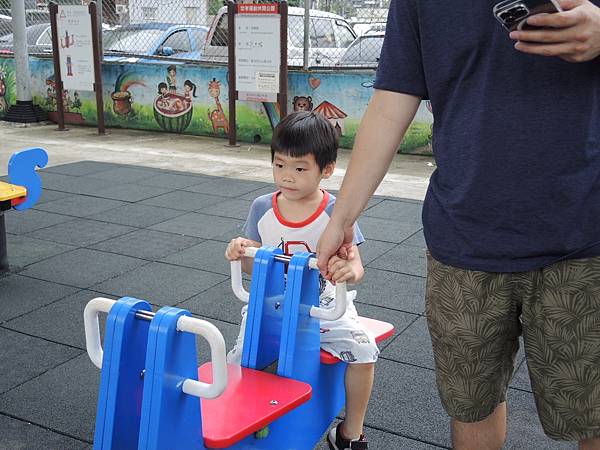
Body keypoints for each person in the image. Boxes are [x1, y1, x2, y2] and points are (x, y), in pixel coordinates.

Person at [316, 1, 600, 450]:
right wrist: (342, 215)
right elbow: (393, 98)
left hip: (584, 237)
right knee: (472, 406)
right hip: (463, 241)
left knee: (593, 415)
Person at [225, 111, 379, 450]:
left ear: (326, 169)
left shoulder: (335, 212)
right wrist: (242, 251)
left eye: (299, 168)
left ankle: (351, 432)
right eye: (279, 165)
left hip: (323, 307)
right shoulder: (262, 207)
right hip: (272, 306)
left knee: (365, 350)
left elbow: (356, 265)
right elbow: (255, 265)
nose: (287, 177)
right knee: (239, 358)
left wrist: (349, 271)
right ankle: (243, 420)